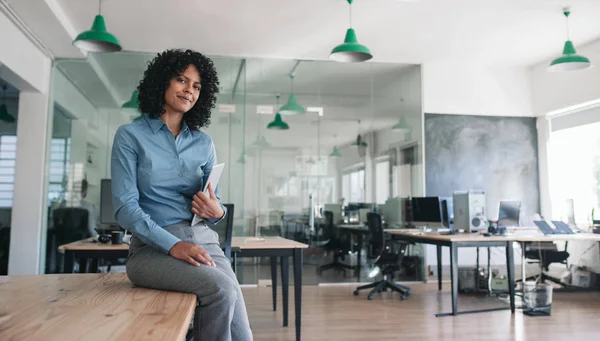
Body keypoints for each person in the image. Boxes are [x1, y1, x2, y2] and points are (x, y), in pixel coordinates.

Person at [111, 49, 252, 341]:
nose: (189, 90)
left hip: (204, 243)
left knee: (243, 335)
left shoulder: (203, 143)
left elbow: (216, 203)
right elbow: (125, 208)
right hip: (152, 250)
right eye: (181, 80)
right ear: (162, 82)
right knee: (221, 289)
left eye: (197, 86)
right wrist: (174, 245)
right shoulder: (130, 136)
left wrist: (218, 211)